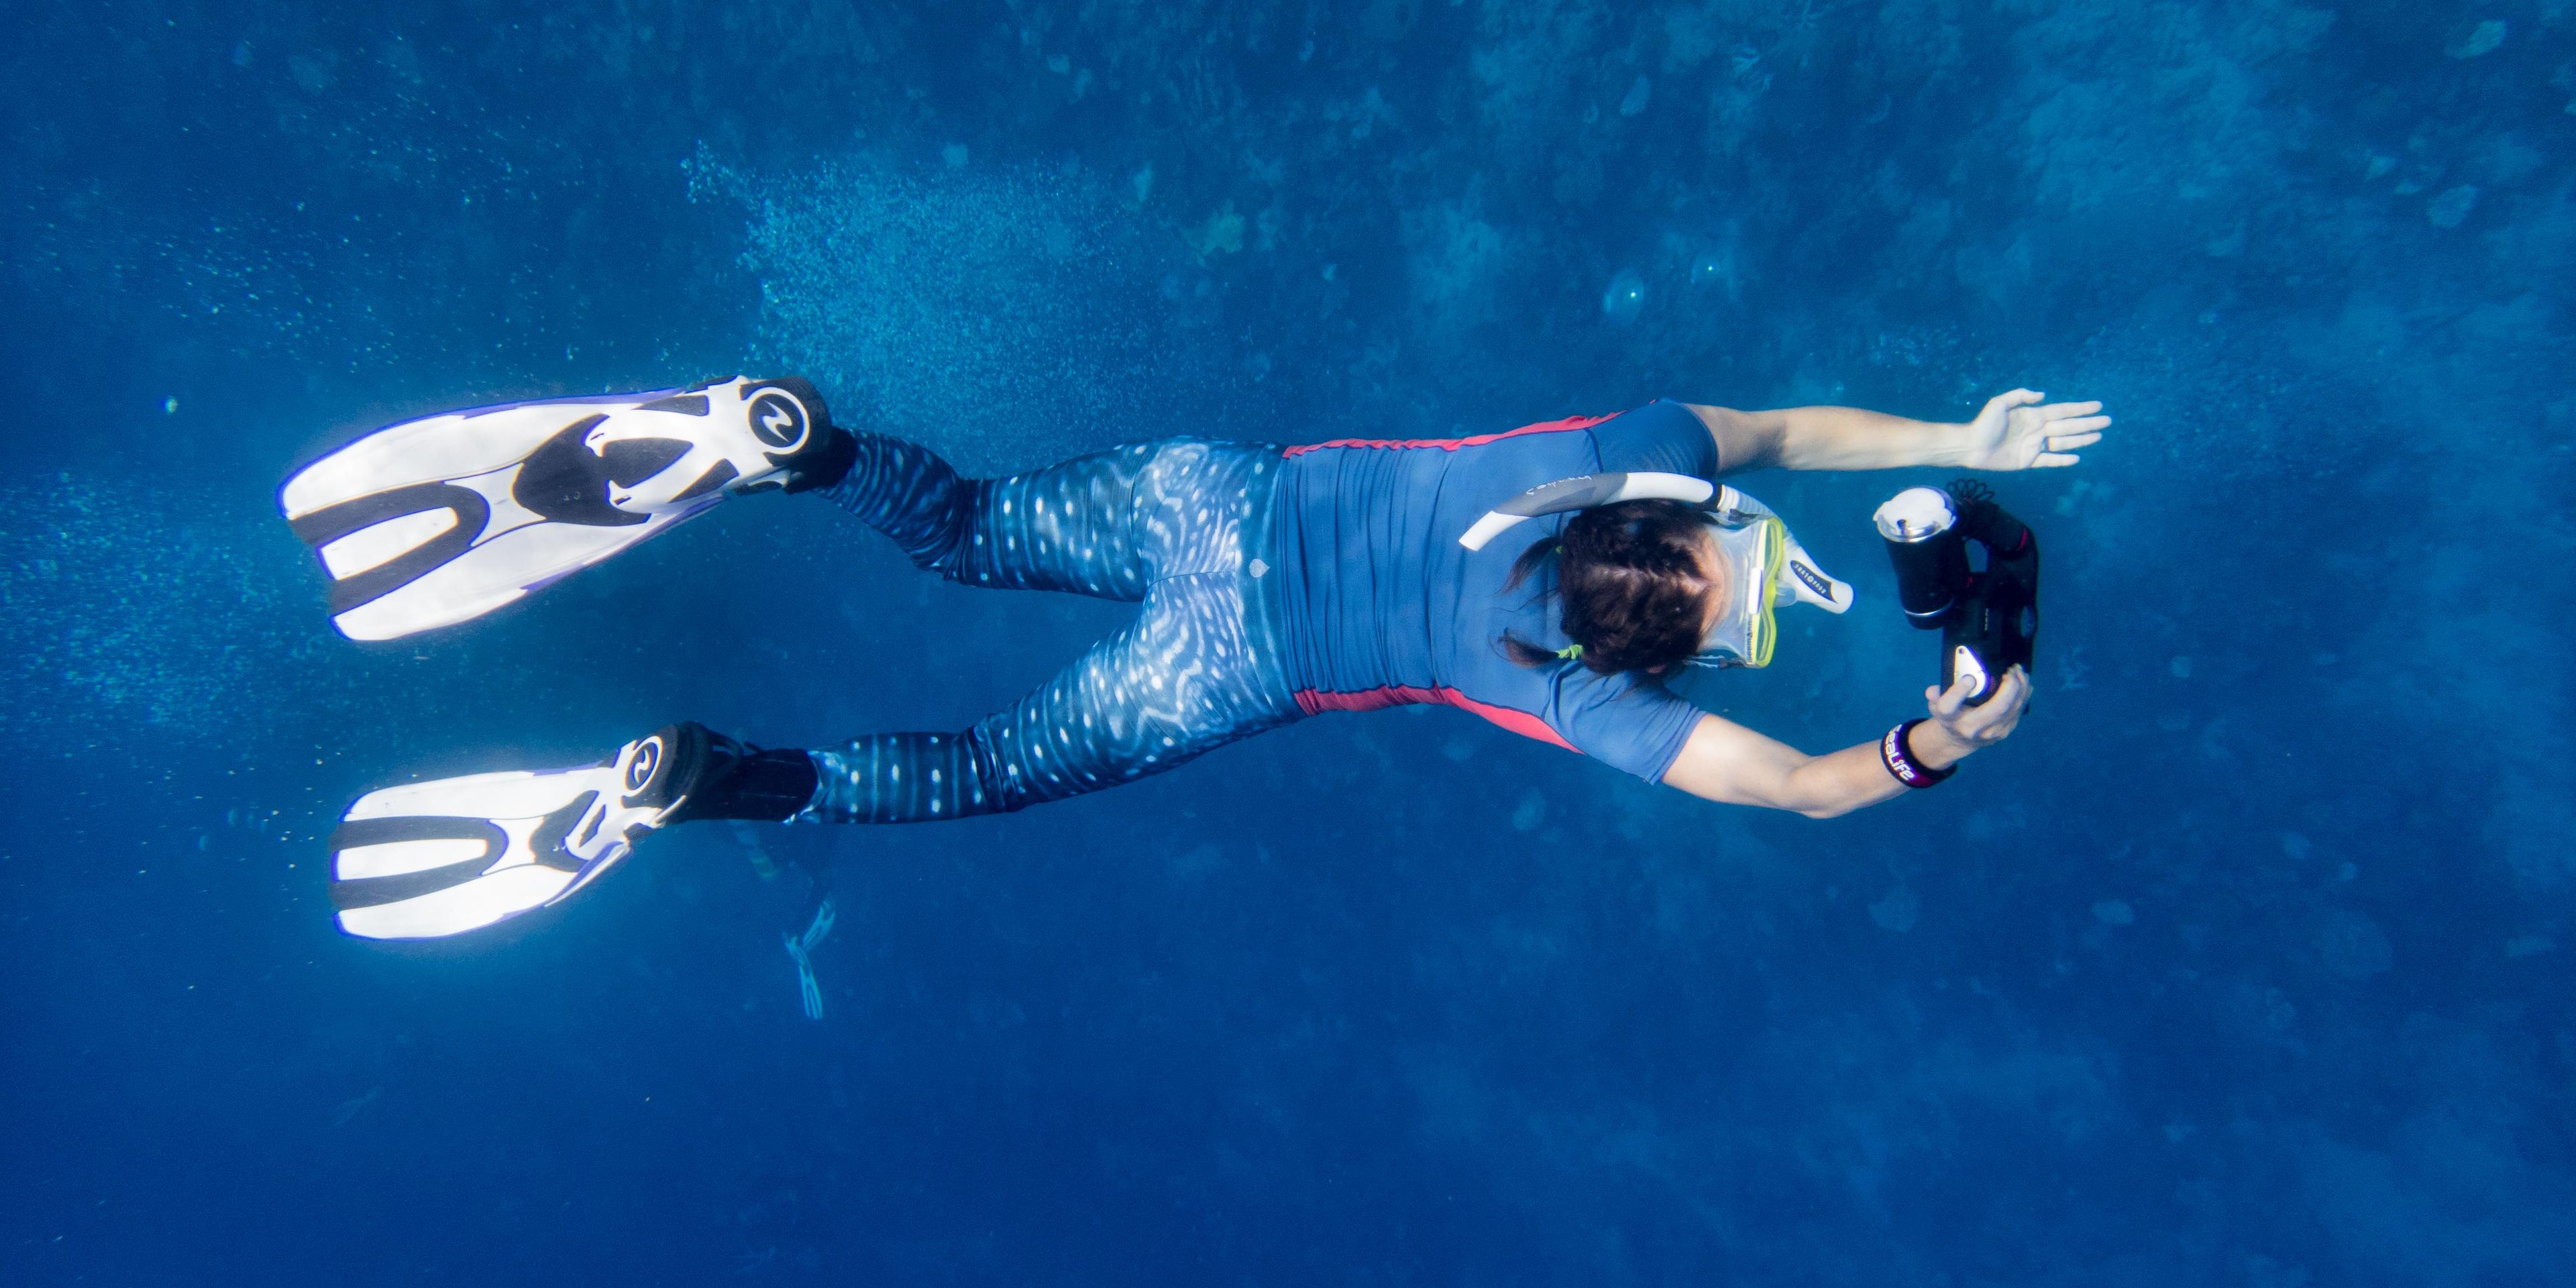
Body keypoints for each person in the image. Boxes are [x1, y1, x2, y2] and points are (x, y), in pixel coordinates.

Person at [283, 377, 2108, 938]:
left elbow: (1780, 429)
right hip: (1237, 664)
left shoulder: (1619, 457)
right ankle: (721, 784)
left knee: (978, 530)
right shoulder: (1574, 693)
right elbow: (1795, 792)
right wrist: (1935, 750)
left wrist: (1975, 432)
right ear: (1680, 639)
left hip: (1204, 504)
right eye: (1764, 601)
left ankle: (795, 449)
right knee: (984, 767)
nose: (1764, 572)